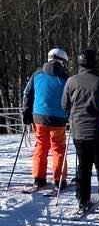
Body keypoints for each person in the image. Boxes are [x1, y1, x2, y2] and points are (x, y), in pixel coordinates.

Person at [62, 48, 99, 214]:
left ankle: (82, 200)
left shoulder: (71, 81)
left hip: (80, 131)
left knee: (83, 167)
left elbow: (64, 105)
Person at [21, 48, 70, 188]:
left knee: (41, 146)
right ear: (62, 61)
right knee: (58, 148)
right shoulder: (65, 78)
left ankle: (38, 177)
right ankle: (58, 180)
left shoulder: (37, 75)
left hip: (39, 116)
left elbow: (27, 94)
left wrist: (26, 112)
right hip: (58, 118)